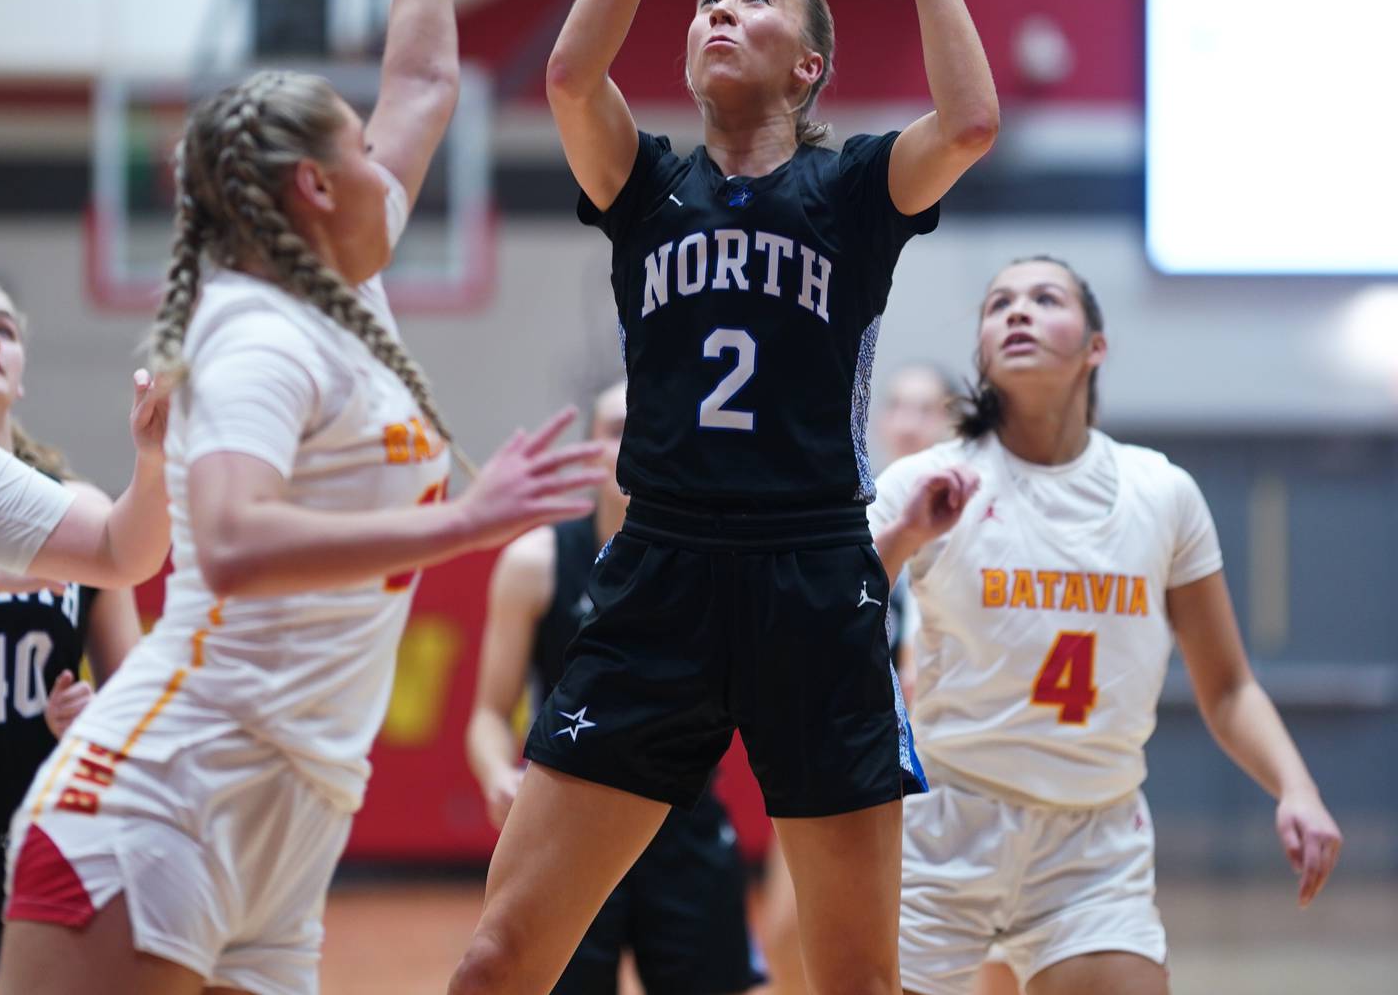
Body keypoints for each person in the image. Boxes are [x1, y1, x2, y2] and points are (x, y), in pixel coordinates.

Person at [0, 0, 604, 995]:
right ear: (317, 192)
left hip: (290, 807)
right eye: (360, 153)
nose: (393, 165)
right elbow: (225, 539)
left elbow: (427, 82)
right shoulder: (258, 334)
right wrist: (466, 520)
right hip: (167, 793)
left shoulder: (343, 291)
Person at [446, 0, 999, 995]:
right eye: (707, 3)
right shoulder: (646, 188)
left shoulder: (851, 190)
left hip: (814, 570)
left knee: (855, 979)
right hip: (661, 572)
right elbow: (567, 78)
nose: (715, 11)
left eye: (753, 1)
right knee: (495, 958)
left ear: (809, 68)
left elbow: (968, 122)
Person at [869, 256, 1343, 995]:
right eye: (999, 304)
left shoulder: (1162, 492)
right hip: (944, 826)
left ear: (1096, 345)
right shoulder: (928, 480)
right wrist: (899, 537)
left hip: (1093, 842)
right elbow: (828, 619)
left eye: (1044, 298)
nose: (1017, 312)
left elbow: (1227, 688)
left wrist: (1297, 788)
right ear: (983, 353)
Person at [467, 379, 763, 995]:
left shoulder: (722, 564)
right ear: (588, 451)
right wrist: (497, 772)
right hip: (568, 819)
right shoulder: (535, 563)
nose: (631, 445)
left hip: (683, 821)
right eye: (614, 430)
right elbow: (489, 714)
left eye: (648, 428)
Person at [0, 279, 144, 995]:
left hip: (51, 839)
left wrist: (99, 719)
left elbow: (133, 700)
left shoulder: (81, 512)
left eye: (3, 327)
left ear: (21, 373)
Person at [765, 360, 958, 995]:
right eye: (895, 405)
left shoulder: (975, 529)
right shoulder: (853, 511)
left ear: (955, 421)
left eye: (924, 408)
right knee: (787, 925)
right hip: (839, 749)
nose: (906, 422)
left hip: (948, 766)